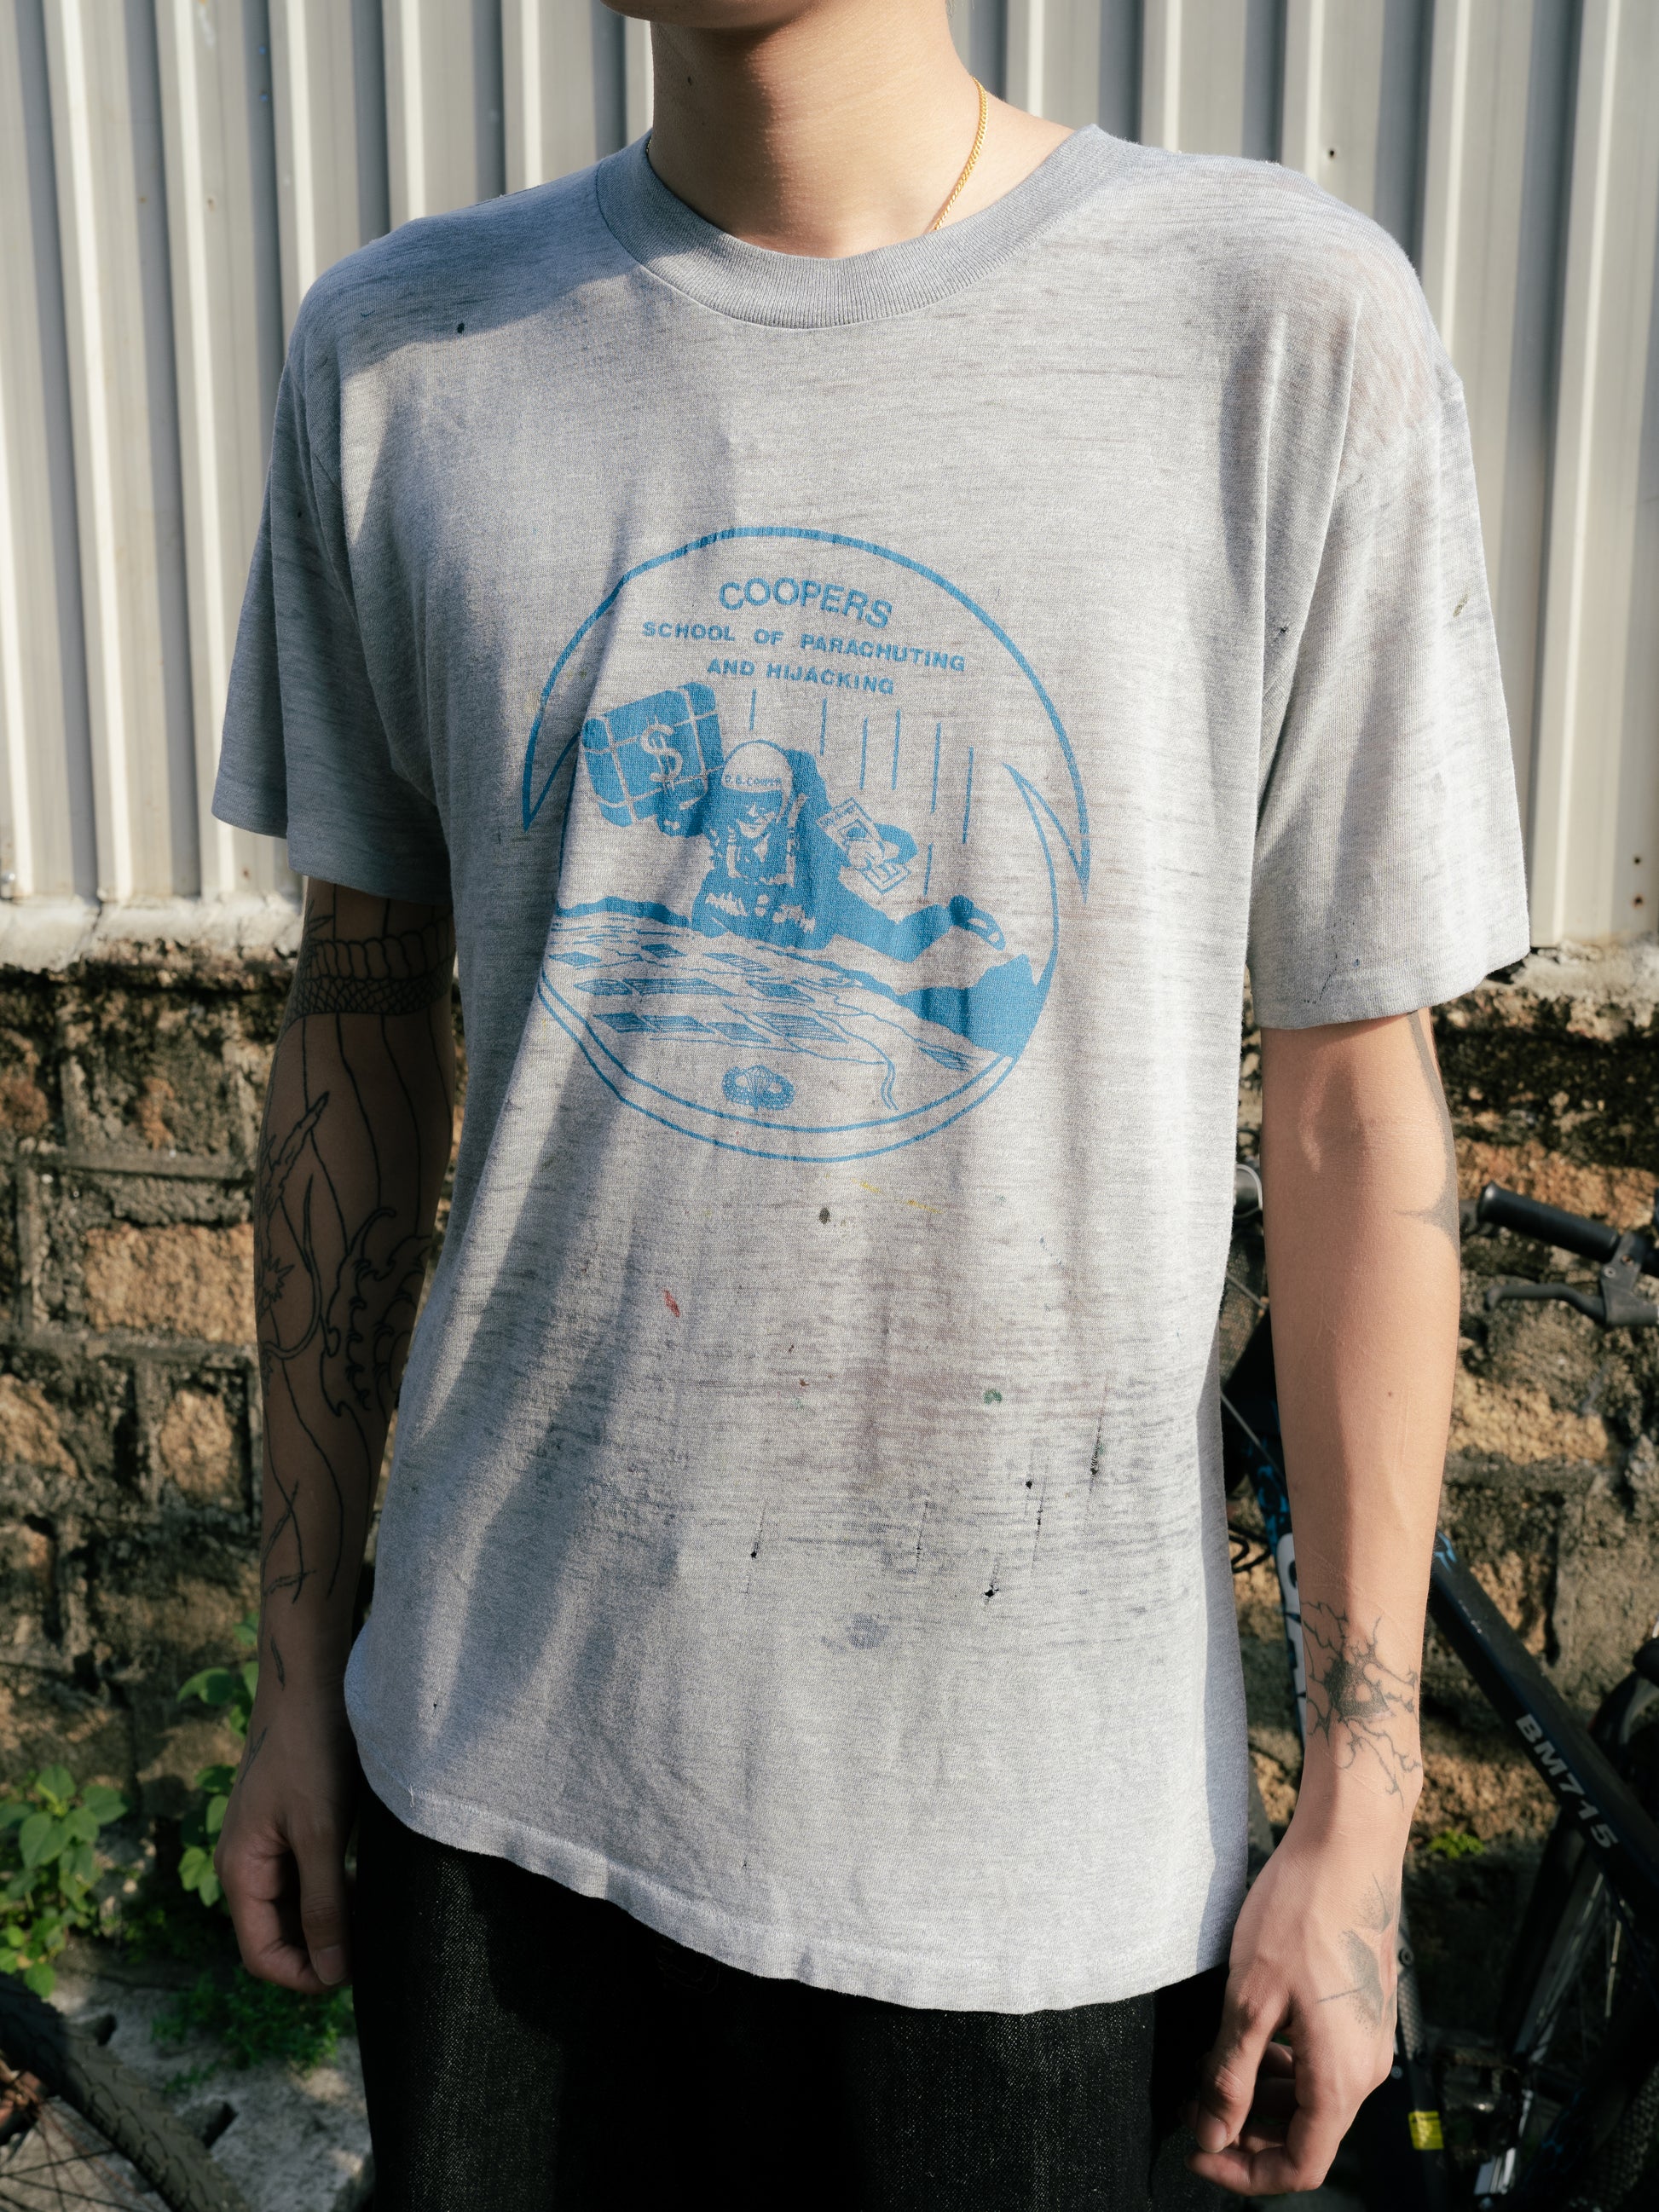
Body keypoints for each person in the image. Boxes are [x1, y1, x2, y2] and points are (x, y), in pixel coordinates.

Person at [209, 1, 1529, 2204]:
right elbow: (354, 1021)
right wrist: (295, 1669)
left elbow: (1350, 1115)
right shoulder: (404, 356)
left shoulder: (1274, 327)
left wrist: (1360, 1807)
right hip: (491, 1797)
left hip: (1021, 1864)